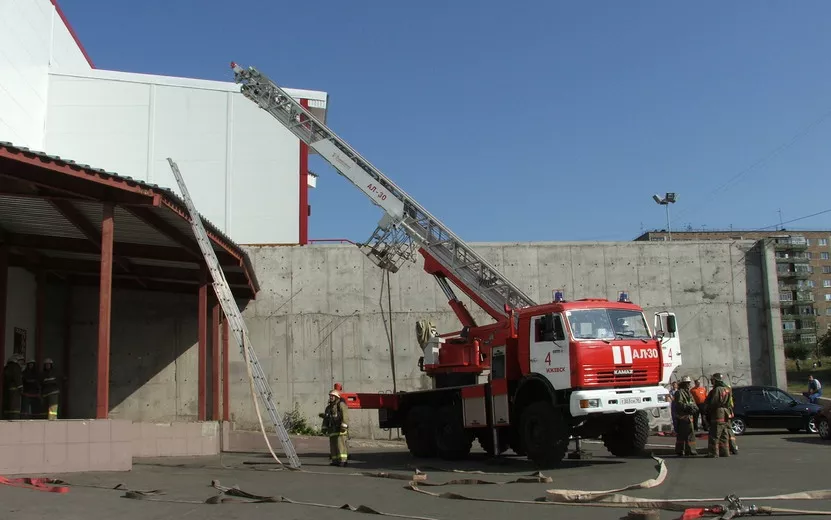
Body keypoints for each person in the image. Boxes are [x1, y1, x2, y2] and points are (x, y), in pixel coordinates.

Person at [704, 373, 731, 458]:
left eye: (712, 380)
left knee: (714, 434)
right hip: (725, 413)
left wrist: (707, 411)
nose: (712, 381)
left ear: (716, 380)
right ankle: (725, 452)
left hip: (718, 413)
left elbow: (713, 402)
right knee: (724, 434)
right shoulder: (727, 389)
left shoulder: (717, 390)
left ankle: (713, 453)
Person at [320, 389, 349, 466]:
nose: (331, 397)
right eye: (330, 396)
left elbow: (345, 416)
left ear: (336, 397)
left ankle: (343, 461)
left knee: (340, 445)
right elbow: (326, 419)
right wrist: (324, 429)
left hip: (340, 429)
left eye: (332, 396)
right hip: (332, 429)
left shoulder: (341, 405)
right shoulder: (328, 408)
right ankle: (335, 460)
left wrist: (344, 425)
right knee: (333, 446)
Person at [673, 376, 698, 457]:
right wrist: (688, 407)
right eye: (687, 383)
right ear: (683, 384)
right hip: (682, 416)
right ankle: (681, 450)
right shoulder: (679, 392)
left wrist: (694, 408)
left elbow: (693, 402)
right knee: (683, 435)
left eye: (689, 383)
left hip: (689, 416)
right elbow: (679, 404)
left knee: (690, 434)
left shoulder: (688, 392)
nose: (688, 384)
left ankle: (689, 450)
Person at [3, 355, 23, 420]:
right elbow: (18, 378)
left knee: (9, 406)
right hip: (15, 389)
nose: (21, 364)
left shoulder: (6, 368)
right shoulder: (16, 367)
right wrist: (21, 388)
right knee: (15, 407)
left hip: (7, 390)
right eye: (20, 361)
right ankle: (15, 419)